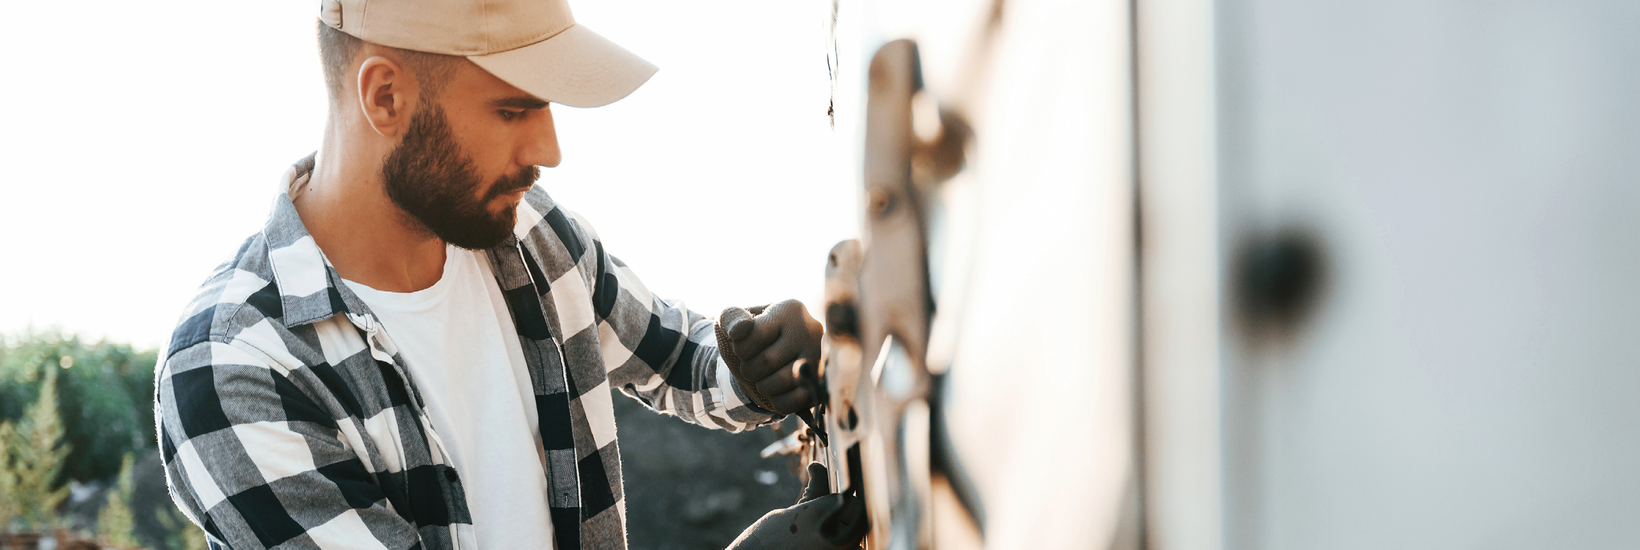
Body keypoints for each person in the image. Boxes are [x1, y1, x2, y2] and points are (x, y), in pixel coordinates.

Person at [153, 0, 853, 548]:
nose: (548, 148)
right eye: (513, 108)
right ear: (385, 97)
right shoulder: (231, 370)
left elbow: (678, 361)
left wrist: (754, 366)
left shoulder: (528, 230)